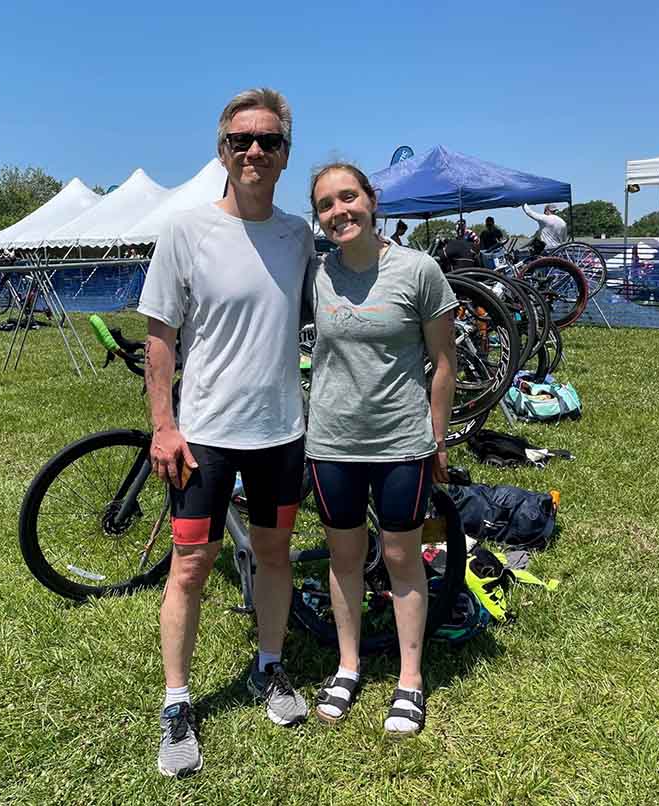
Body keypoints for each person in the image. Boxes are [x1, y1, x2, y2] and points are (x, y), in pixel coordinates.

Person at [137, 88, 314, 777]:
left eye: (268, 141)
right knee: (190, 567)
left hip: (279, 431)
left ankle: (269, 668)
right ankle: (177, 702)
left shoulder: (299, 235)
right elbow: (160, 335)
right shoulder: (185, 230)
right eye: (242, 140)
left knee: (273, 556)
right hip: (203, 435)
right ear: (223, 150)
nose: (254, 151)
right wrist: (163, 425)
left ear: (284, 155)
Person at [306, 163, 457, 736]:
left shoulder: (418, 271)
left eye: (349, 198)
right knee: (344, 558)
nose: (340, 211)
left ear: (371, 201)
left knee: (400, 558)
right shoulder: (314, 275)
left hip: (401, 442)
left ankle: (410, 679)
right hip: (332, 443)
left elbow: (445, 364)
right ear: (318, 216)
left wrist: (436, 438)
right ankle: (348, 665)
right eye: (326, 204)